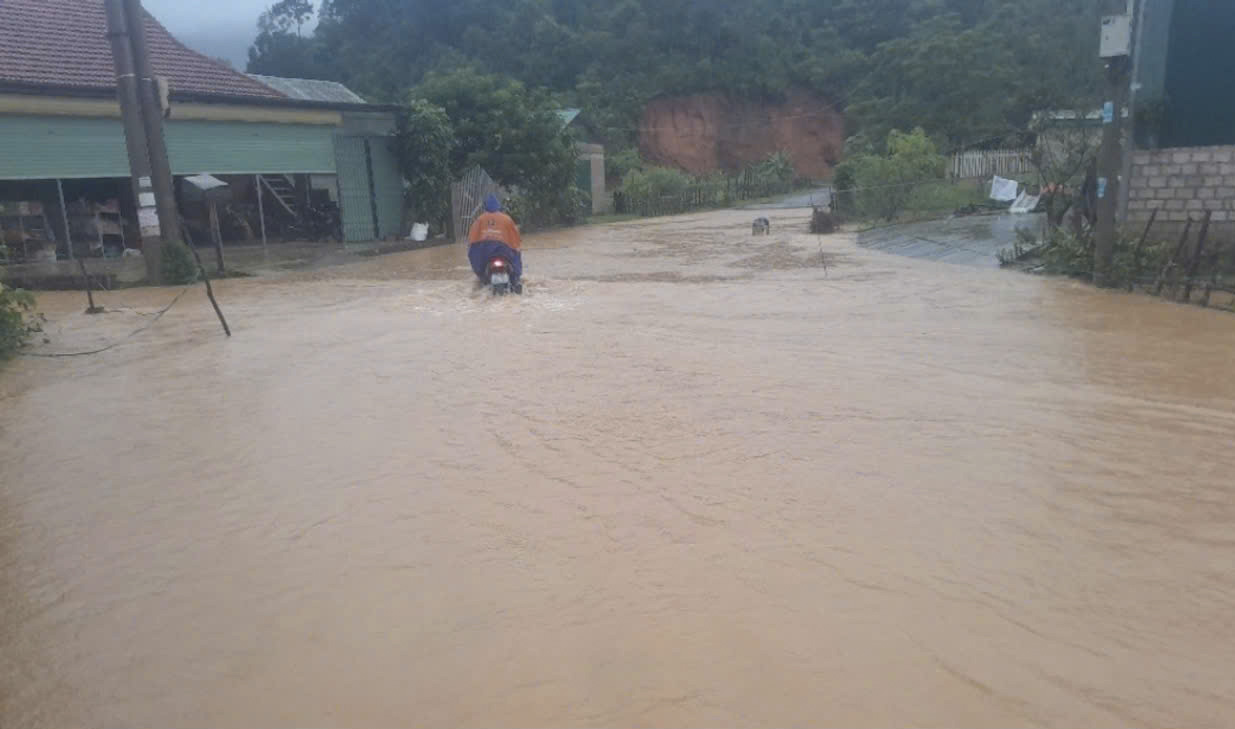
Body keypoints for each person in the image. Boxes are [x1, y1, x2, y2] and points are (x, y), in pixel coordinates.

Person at [468, 194, 523, 291]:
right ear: (498, 207)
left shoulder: (479, 220)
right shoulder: (507, 219)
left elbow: (472, 241)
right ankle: (515, 281)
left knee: (475, 259)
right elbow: (516, 239)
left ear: (485, 207)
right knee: (516, 255)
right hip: (504, 252)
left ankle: (483, 280)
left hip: (485, 254)